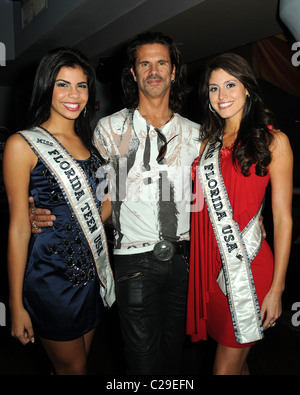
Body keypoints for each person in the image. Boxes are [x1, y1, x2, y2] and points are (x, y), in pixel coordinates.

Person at [29, 32, 201, 375]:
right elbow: (88, 195)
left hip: (186, 261)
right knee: (141, 362)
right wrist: (38, 213)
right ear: (133, 73)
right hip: (132, 261)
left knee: (175, 359)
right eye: (144, 63)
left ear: (174, 71)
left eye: (162, 63)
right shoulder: (107, 130)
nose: (154, 70)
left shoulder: (199, 134)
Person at [3, 48, 115, 375]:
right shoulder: (21, 145)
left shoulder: (91, 146)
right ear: (46, 87)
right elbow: (18, 229)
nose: (74, 95)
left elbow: (101, 211)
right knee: (74, 369)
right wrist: (15, 304)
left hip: (90, 277)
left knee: (77, 365)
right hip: (49, 278)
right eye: (63, 84)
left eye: (82, 86)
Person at [186, 53, 293, 375]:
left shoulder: (274, 141)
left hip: (248, 267)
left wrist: (277, 289)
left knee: (225, 367)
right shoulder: (208, 144)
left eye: (230, 85)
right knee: (236, 361)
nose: (222, 96)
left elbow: (283, 219)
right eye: (214, 88)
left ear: (248, 88)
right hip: (211, 270)